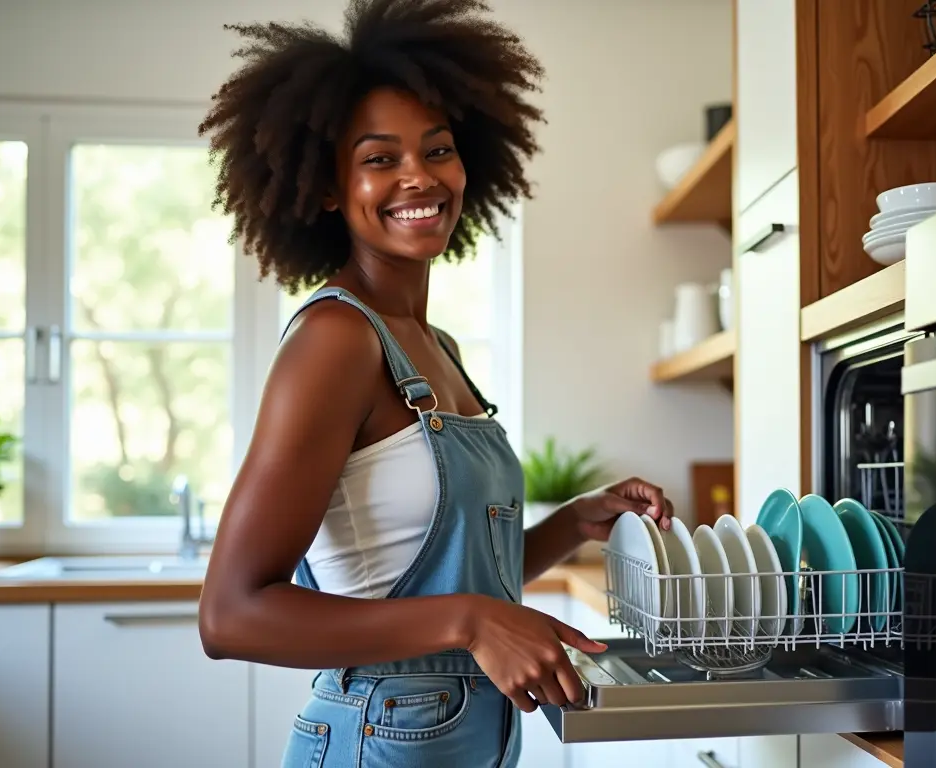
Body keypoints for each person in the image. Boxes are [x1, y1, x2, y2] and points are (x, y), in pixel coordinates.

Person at [195, 1, 676, 765]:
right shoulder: (335, 341)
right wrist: (472, 621)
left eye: (438, 149)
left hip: (469, 738)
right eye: (380, 158)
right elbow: (230, 615)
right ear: (328, 188)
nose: (418, 177)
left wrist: (572, 523)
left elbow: (430, 581)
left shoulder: (433, 345)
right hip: (376, 736)